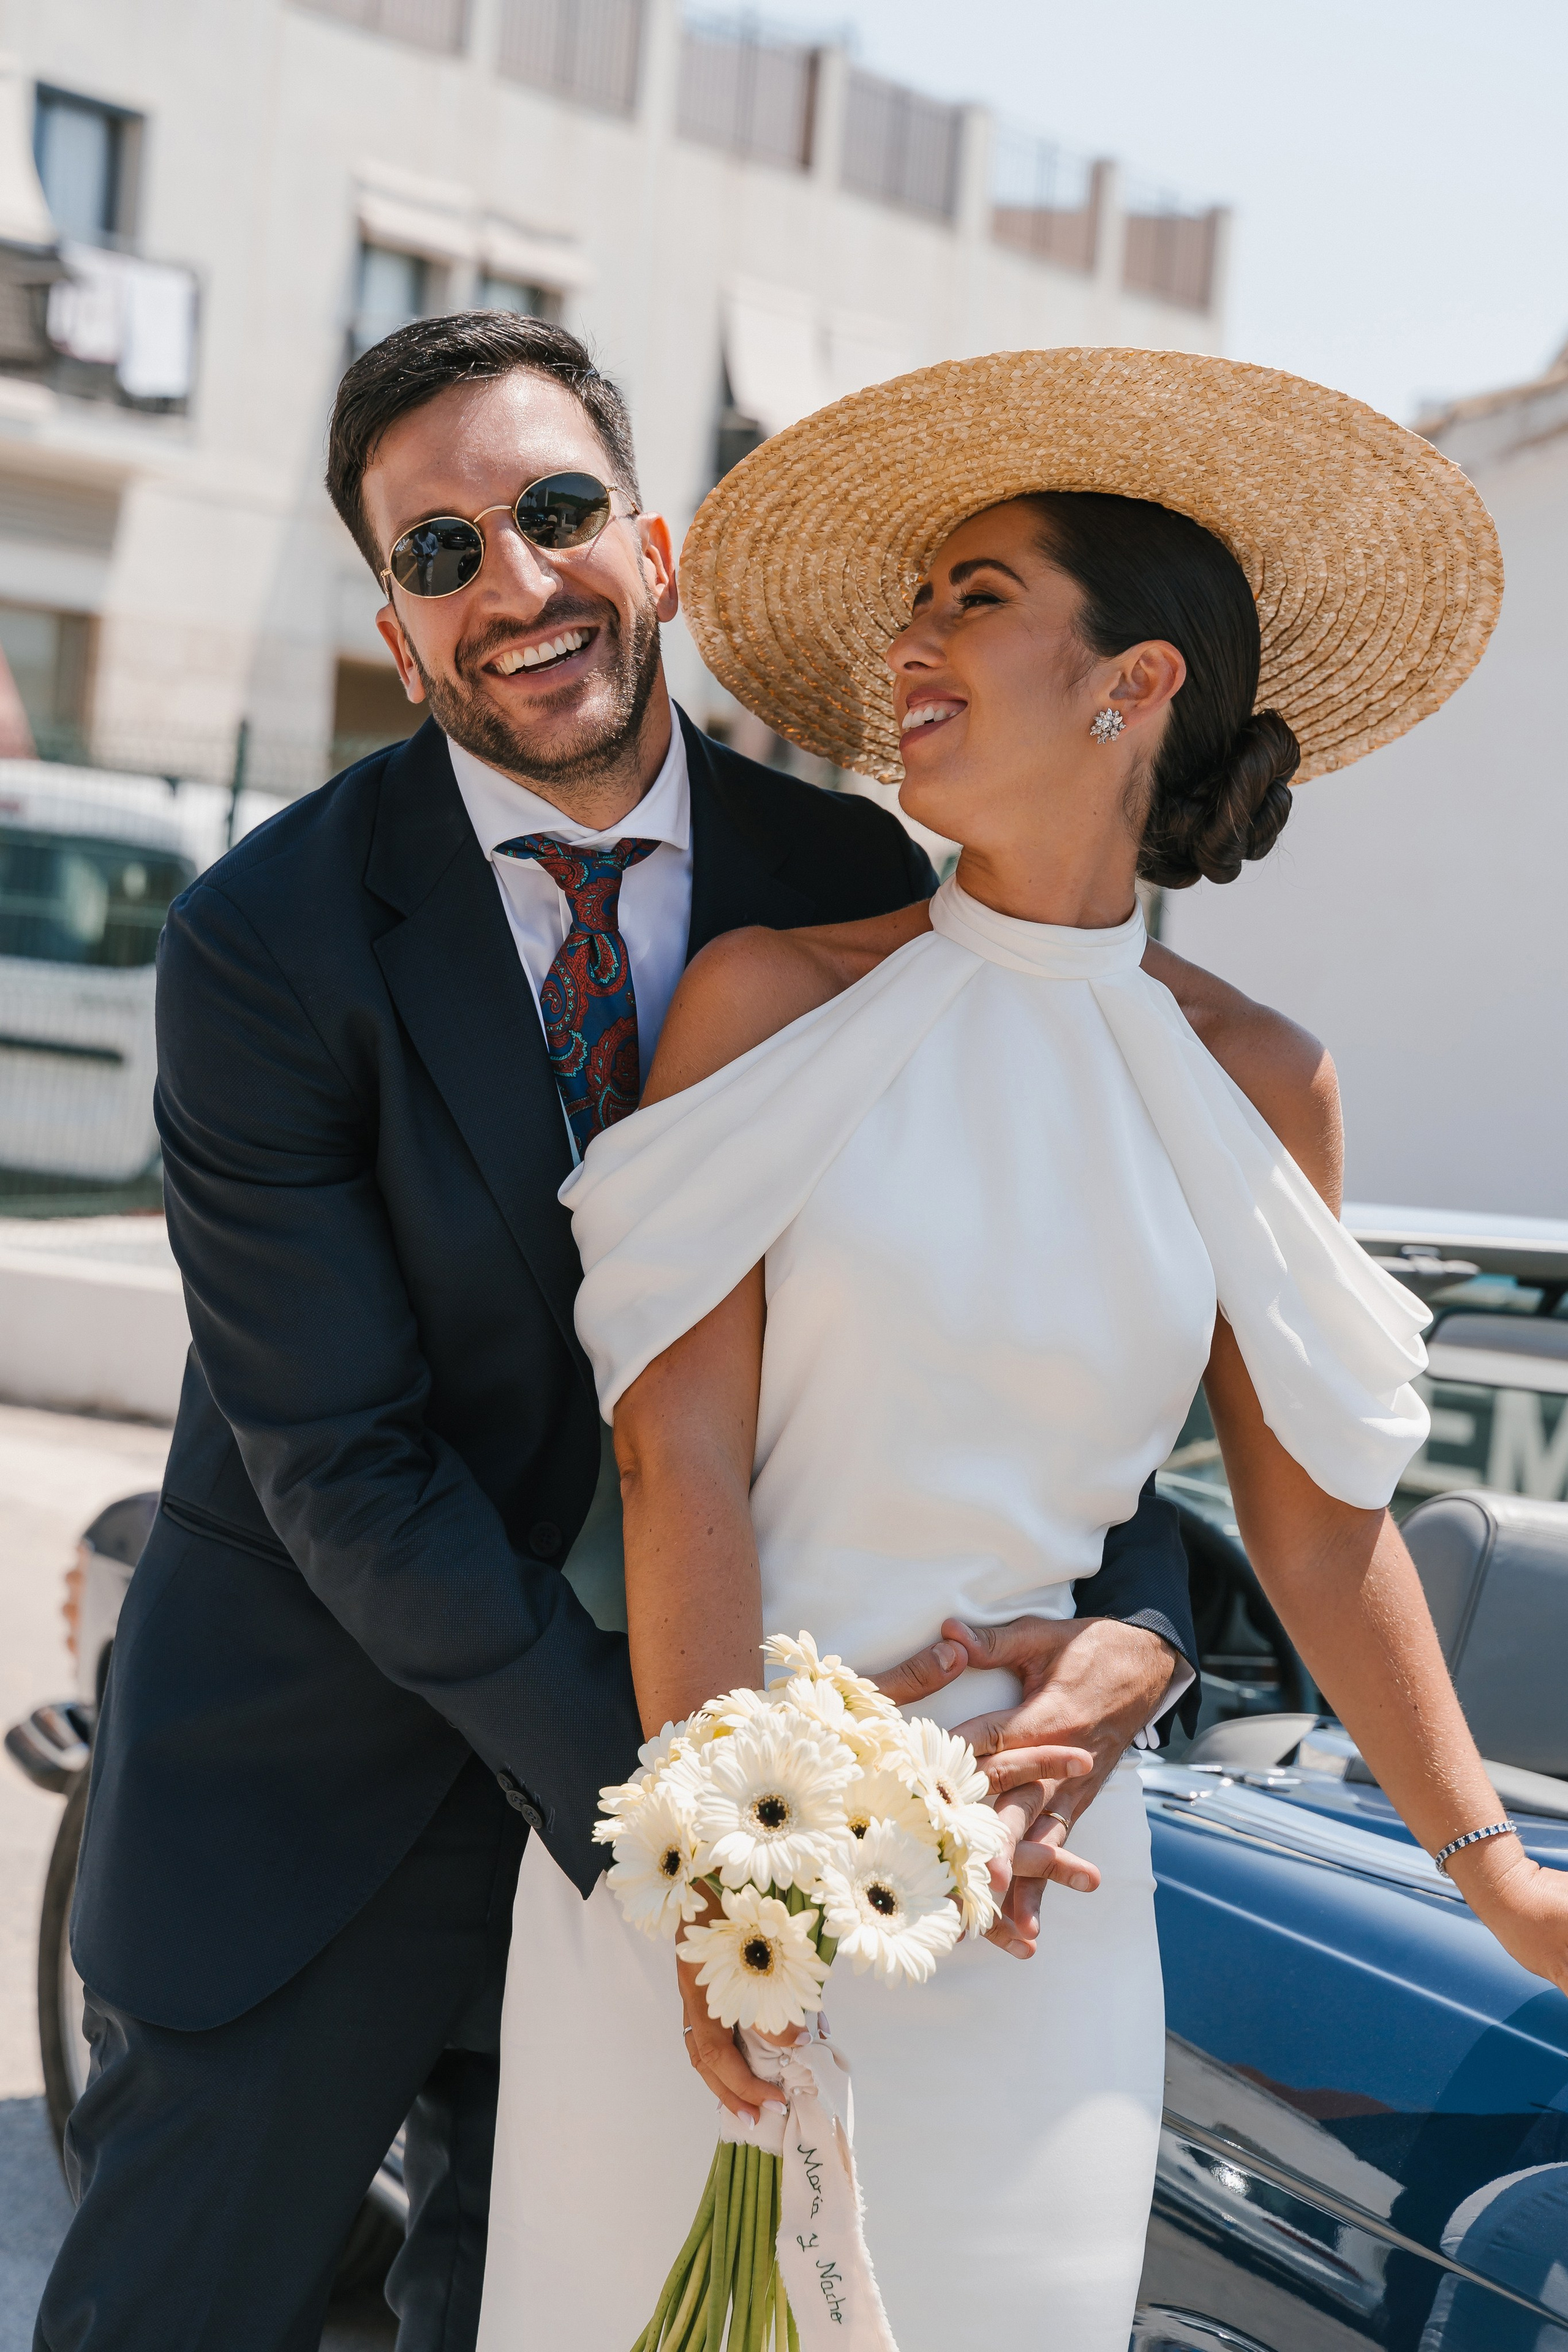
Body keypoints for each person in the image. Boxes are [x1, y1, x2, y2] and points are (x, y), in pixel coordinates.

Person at [36, 316, 1198, 2352]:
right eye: (440, 554)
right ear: (398, 638)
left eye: (556, 512)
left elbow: (1033, 1304)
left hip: (733, 1801)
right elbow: (344, 1463)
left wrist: (1148, 1607)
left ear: (653, 552)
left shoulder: (863, 885)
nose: (516, 583)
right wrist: (696, 1826)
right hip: (323, 1808)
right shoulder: (258, 945)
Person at [473, 347, 1568, 2352]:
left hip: (1035, 1894)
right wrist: (728, 1887)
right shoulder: (766, 998)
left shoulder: (1266, 1080)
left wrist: (1503, 1877)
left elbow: (1324, 1531)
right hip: (712, 1851)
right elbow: (675, 1462)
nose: (913, 640)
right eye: (917, 601)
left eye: (975, 598)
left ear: (1132, 681)